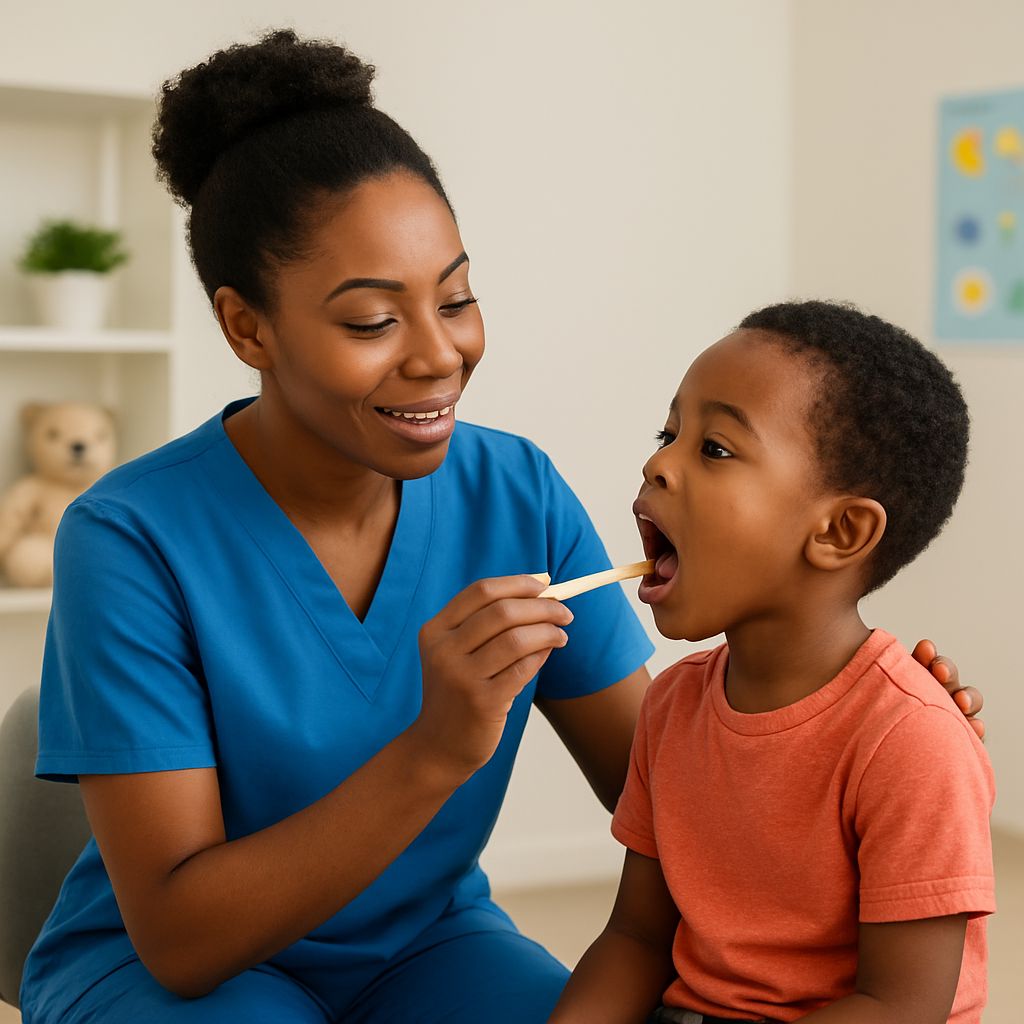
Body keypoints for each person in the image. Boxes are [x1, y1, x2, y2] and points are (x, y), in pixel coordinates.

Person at [20, 31, 981, 1024]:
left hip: (425, 948)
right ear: (246, 327)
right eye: (371, 321)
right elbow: (182, 944)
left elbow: (676, 794)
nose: (439, 355)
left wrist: (860, 734)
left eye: (456, 299)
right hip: (186, 969)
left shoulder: (515, 491)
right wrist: (434, 749)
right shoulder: (128, 538)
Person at [549, 301, 995, 1024]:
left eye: (714, 448)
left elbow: (900, 1005)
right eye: (668, 435)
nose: (657, 463)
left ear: (839, 530)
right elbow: (635, 937)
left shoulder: (911, 742)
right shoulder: (672, 705)